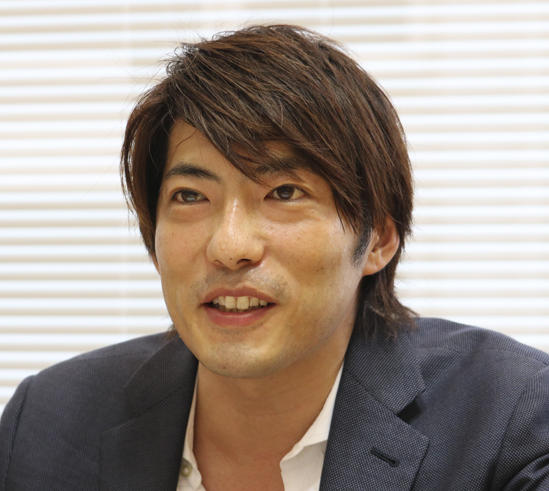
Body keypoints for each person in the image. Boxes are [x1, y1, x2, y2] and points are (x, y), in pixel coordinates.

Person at [1, 24, 548, 491]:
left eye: (284, 193)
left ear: (379, 239)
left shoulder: (511, 422)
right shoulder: (47, 422)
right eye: (190, 196)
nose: (229, 247)